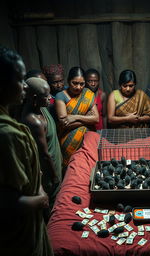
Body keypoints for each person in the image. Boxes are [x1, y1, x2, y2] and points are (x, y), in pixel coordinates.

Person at [0, 47, 53, 255]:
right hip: (19, 233)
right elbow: (8, 202)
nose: (24, 86)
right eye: (20, 80)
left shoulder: (12, 124)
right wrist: (41, 198)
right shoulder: (6, 135)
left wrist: (37, 181)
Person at [21, 77, 62, 213]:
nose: (50, 98)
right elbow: (44, 155)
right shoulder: (34, 122)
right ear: (34, 98)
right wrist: (54, 175)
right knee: (52, 206)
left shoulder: (42, 109)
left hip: (55, 164)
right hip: (48, 172)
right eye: (46, 96)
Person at [55, 66, 99, 170]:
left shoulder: (88, 94)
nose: (78, 87)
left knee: (88, 169)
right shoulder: (61, 96)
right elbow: (64, 124)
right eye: (74, 83)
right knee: (72, 170)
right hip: (68, 142)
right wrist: (87, 120)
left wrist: (75, 117)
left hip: (88, 141)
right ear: (68, 81)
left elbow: (96, 119)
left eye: (82, 84)